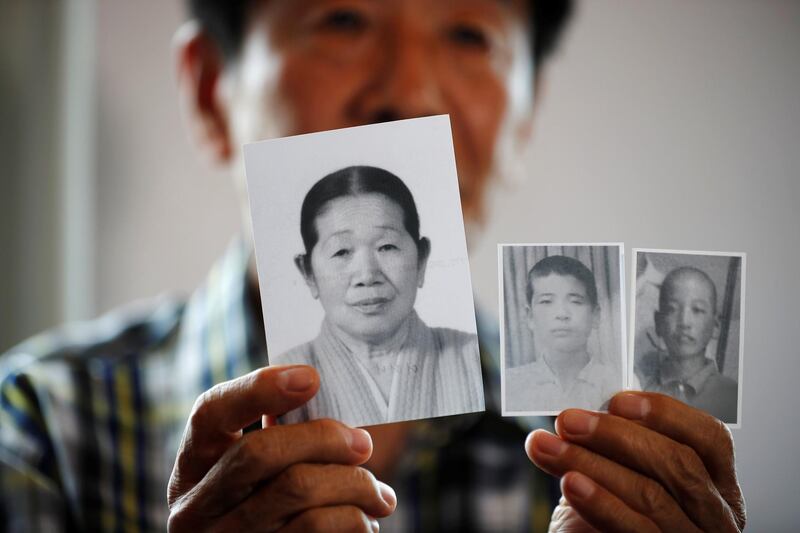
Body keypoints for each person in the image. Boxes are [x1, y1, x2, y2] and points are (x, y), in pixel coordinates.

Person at [0, 0, 746, 531]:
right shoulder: (40, 428)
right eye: (343, 19)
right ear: (210, 90)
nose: (410, 95)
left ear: (523, 117)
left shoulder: (594, 463)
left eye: (469, 32)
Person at [273, 166, 484, 427]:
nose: (367, 275)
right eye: (341, 252)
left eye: (387, 246)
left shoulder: (472, 356)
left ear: (421, 259)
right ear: (308, 273)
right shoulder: (282, 378)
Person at [506, 255, 618, 412]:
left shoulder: (616, 384)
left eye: (575, 301)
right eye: (546, 301)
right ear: (530, 316)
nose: (562, 314)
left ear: (595, 315)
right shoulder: (510, 386)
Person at [638, 266, 739, 423]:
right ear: (658, 322)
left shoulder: (732, 397)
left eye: (697, 310)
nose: (684, 322)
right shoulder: (641, 390)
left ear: (716, 326)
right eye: (672, 309)